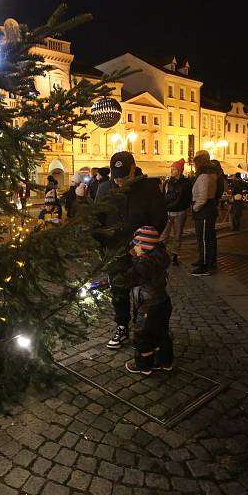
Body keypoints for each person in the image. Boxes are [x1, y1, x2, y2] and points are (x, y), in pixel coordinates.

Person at [95, 151, 167, 349]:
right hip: (114, 251)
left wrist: (145, 243)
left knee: (144, 293)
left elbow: (160, 218)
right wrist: (99, 243)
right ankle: (121, 325)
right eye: (116, 176)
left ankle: (144, 328)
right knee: (118, 290)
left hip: (141, 253)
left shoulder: (149, 188)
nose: (119, 181)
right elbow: (97, 218)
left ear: (134, 169)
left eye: (124, 177)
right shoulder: (104, 189)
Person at [110, 226, 173, 373]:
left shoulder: (144, 264)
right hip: (162, 303)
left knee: (142, 336)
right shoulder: (157, 257)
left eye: (136, 245)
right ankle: (165, 362)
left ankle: (143, 365)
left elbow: (128, 278)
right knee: (161, 333)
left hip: (148, 307)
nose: (134, 247)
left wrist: (112, 280)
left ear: (144, 247)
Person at [190, 151, 218, 277]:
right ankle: (207, 261)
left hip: (204, 211)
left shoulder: (203, 177)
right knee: (209, 238)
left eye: (195, 163)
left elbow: (203, 197)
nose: (194, 165)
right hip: (209, 209)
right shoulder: (210, 175)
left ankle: (205, 266)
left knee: (204, 239)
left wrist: (195, 208)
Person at [161, 159, 191, 266]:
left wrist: (169, 205)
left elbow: (183, 199)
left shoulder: (186, 183)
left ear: (179, 170)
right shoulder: (168, 181)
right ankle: (161, 254)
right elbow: (164, 195)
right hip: (169, 212)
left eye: (173, 169)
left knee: (177, 235)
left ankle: (174, 255)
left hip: (179, 212)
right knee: (164, 234)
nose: (171, 171)